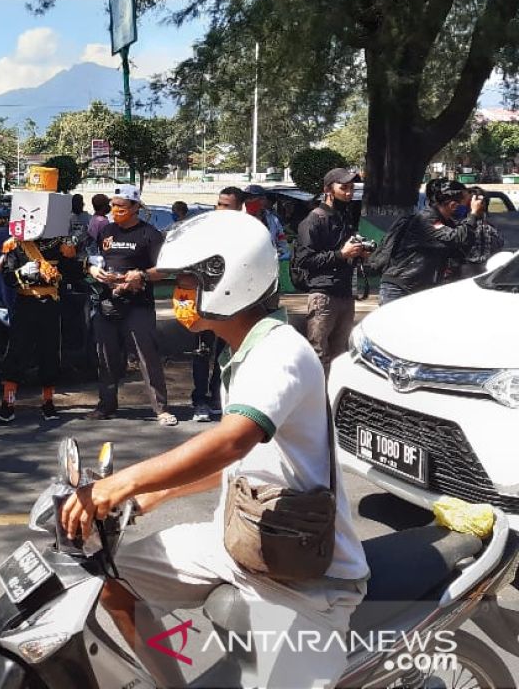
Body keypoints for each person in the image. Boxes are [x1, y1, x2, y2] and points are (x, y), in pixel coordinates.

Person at [61, 210, 368, 689]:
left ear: (230, 280)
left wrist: (120, 483)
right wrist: (153, 495)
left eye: (187, 282)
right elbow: (242, 459)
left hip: (304, 573)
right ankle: (172, 682)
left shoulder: (279, 353)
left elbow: (231, 441)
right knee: (110, 579)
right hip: (238, 541)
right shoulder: (241, 351)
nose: (178, 295)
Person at [86, 185, 176, 427]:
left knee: (147, 356)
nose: (116, 210)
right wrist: (94, 269)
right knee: (105, 356)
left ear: (136, 207)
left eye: (122, 207)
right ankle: (106, 405)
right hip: (107, 301)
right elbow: (94, 257)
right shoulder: (106, 231)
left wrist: (142, 276)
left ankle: (161, 408)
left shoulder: (150, 234)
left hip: (138, 305)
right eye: (114, 206)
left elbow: (164, 270)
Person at [0, 189, 76, 423]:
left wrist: (72, 258)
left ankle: (48, 402)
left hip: (50, 303)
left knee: (50, 352)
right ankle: (8, 402)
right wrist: (22, 272)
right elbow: (9, 278)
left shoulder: (60, 243)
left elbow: (71, 274)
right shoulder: (15, 244)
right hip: (25, 302)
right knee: (16, 352)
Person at [293, 167, 365, 374]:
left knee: (341, 356)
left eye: (352, 188)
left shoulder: (344, 217)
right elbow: (304, 260)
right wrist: (341, 254)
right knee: (318, 354)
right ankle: (317, 402)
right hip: (323, 296)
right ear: (328, 190)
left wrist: (358, 254)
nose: (349, 193)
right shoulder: (313, 220)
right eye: (344, 188)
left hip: (345, 293)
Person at [379, 178, 487, 304]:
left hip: (419, 288)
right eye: (467, 204)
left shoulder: (447, 222)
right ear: (453, 205)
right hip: (400, 288)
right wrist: (473, 214)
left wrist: (475, 218)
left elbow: (462, 246)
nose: (468, 207)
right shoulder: (426, 219)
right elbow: (456, 238)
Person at [190, 188, 244, 422]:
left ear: (239, 208)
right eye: (219, 204)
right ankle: (199, 400)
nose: (221, 209)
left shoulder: (247, 233)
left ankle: (217, 398)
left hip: (233, 303)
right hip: (206, 301)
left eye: (227, 205)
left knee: (226, 353)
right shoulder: (205, 231)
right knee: (202, 352)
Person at [243, 184, 290, 261]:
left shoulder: (273, 219)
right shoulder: (241, 219)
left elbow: (281, 239)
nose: (248, 201)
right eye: (246, 198)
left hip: (270, 263)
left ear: (263, 200)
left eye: (252, 198)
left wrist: (282, 251)